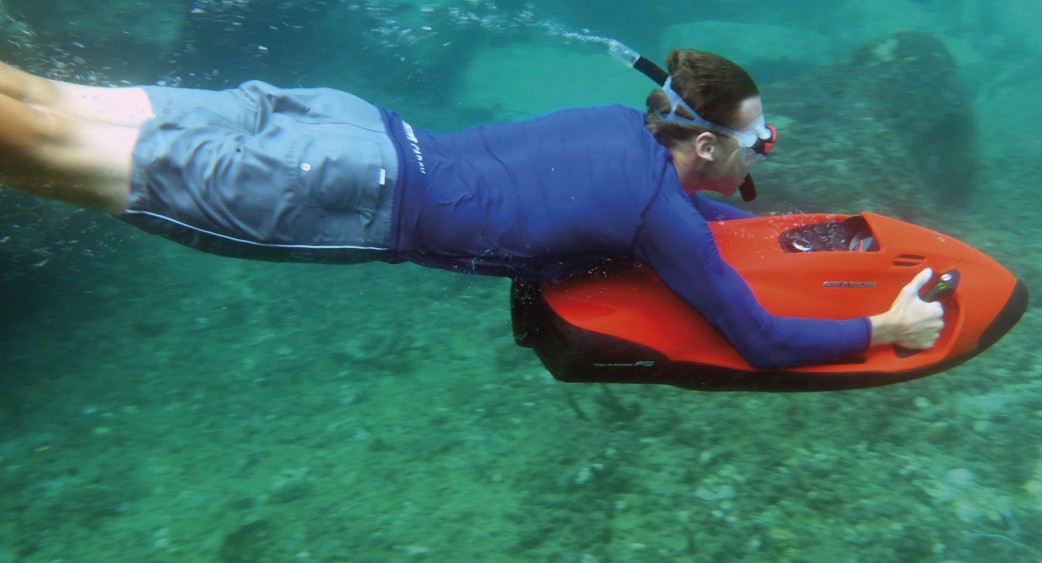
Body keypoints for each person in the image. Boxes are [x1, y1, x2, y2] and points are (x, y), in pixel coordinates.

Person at [0, 50, 943, 370]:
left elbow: (684, 222)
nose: (762, 151)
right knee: (37, 154)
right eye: (755, 140)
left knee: (45, 102)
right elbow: (761, 341)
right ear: (703, 147)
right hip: (338, 187)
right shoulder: (658, 211)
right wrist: (886, 325)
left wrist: (820, 232)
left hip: (346, 123)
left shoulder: (620, 123)